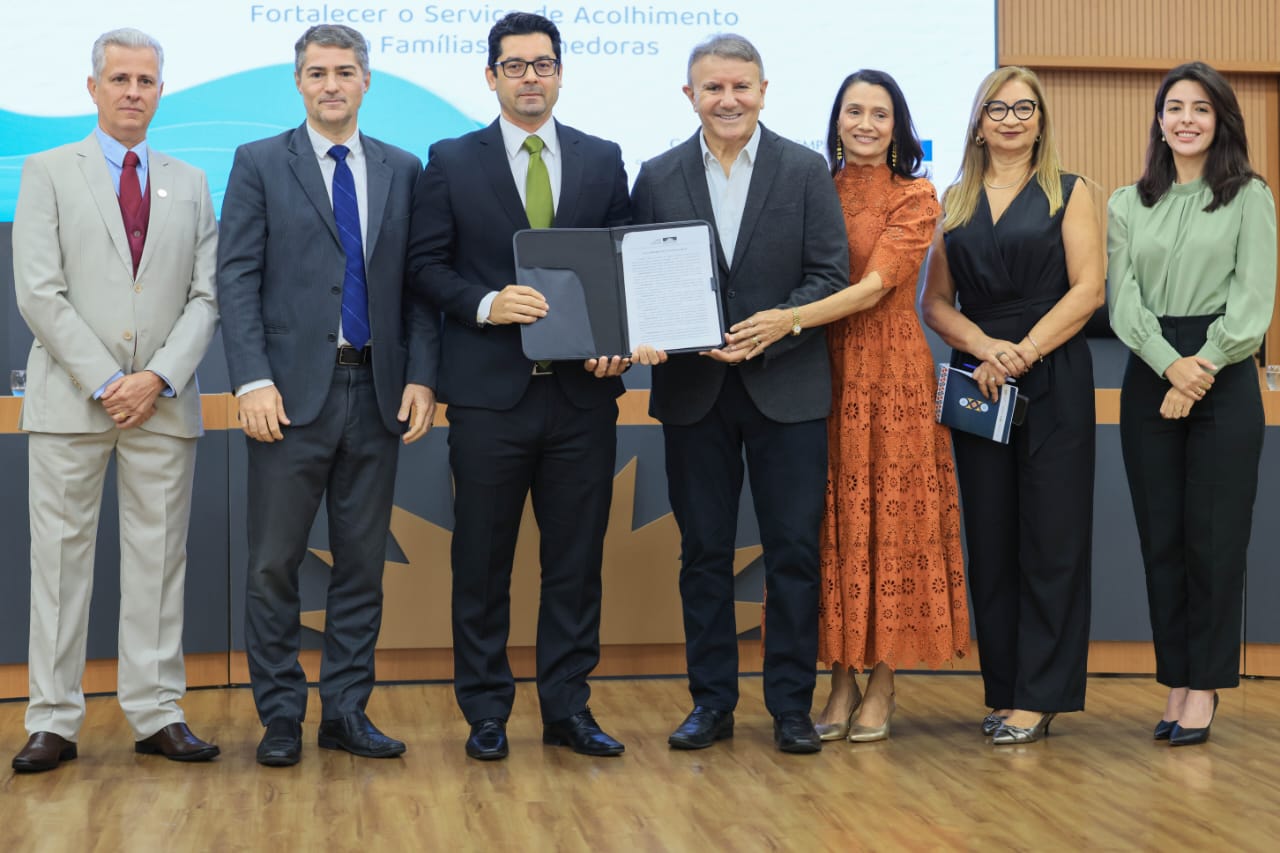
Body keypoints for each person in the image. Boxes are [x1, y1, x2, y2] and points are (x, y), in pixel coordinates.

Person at [407, 11, 631, 761]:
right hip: (488, 398)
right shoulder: (450, 159)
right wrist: (485, 303)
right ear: (491, 76)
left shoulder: (603, 159)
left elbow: (623, 269)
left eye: (542, 64)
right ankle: (486, 712)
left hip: (581, 400)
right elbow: (425, 266)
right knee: (481, 563)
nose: (529, 77)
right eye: (514, 65)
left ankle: (568, 709)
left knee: (575, 564)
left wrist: (616, 345)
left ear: (560, 73)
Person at [217, 24, 436, 767]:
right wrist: (251, 379)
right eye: (317, 72)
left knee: (361, 565)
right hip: (285, 396)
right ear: (299, 82)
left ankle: (345, 710)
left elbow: (417, 287)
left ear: (366, 81)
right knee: (272, 566)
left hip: (376, 391)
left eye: (345, 71)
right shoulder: (258, 162)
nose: (331, 84)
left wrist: (422, 374)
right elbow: (236, 277)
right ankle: (281, 715)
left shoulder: (403, 168)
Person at [729, 70, 969, 743]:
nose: (865, 124)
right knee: (826, 525)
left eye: (880, 114)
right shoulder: (811, 186)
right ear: (835, 120)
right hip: (813, 371)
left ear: (899, 127)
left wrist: (787, 319)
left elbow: (872, 289)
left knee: (889, 524)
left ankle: (883, 679)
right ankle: (838, 678)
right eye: (853, 111)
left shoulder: (916, 195)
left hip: (890, 375)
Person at [630, 34, 849, 754]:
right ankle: (711, 703)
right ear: (689, 94)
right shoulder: (656, 175)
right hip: (693, 391)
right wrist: (648, 330)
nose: (728, 100)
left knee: (793, 554)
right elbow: (638, 277)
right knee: (703, 554)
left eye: (740, 87)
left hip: (787, 387)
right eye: (713, 87)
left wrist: (774, 326)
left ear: (763, 90)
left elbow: (829, 275)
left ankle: (790, 707)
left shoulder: (805, 170)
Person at [11, 27, 220, 771]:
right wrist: (107, 381)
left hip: (161, 404)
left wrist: (154, 378)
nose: (134, 91)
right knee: (59, 566)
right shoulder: (46, 170)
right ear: (93, 87)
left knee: (158, 563)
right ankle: (53, 720)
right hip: (74, 403)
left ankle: (157, 712)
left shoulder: (191, 181)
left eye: (146, 80)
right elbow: (39, 291)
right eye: (121, 79)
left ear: (162, 91)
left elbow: (206, 296)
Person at [921, 66, 1104, 745]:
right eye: (997, 109)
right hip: (981, 381)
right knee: (993, 542)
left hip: (1053, 373)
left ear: (1041, 121)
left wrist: (1021, 351)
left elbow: (1088, 290)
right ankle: (1004, 690)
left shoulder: (1072, 191)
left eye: (1025, 108)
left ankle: (1040, 695)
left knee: (1053, 541)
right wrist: (985, 348)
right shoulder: (953, 198)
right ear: (978, 122)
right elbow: (934, 302)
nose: (1011, 119)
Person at [1108, 62, 1277, 747]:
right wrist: (1168, 366)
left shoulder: (1250, 196)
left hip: (1224, 372)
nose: (1186, 119)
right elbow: (1122, 301)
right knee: (1163, 540)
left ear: (1220, 120)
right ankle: (1176, 678)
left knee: (1214, 541)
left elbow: (1253, 302)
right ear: (1159, 120)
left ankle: (1203, 686)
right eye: (1174, 107)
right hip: (1151, 367)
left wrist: (1197, 370)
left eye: (1200, 108)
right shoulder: (1127, 202)